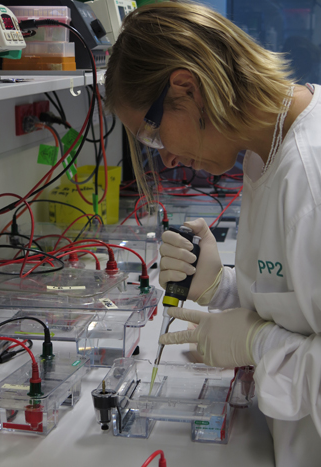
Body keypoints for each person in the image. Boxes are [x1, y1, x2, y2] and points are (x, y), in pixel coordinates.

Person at [104, 2, 321, 466]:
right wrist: (222, 289)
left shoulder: (312, 175)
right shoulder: (267, 151)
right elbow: (303, 306)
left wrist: (258, 343)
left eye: (154, 135)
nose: (163, 159)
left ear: (187, 87)